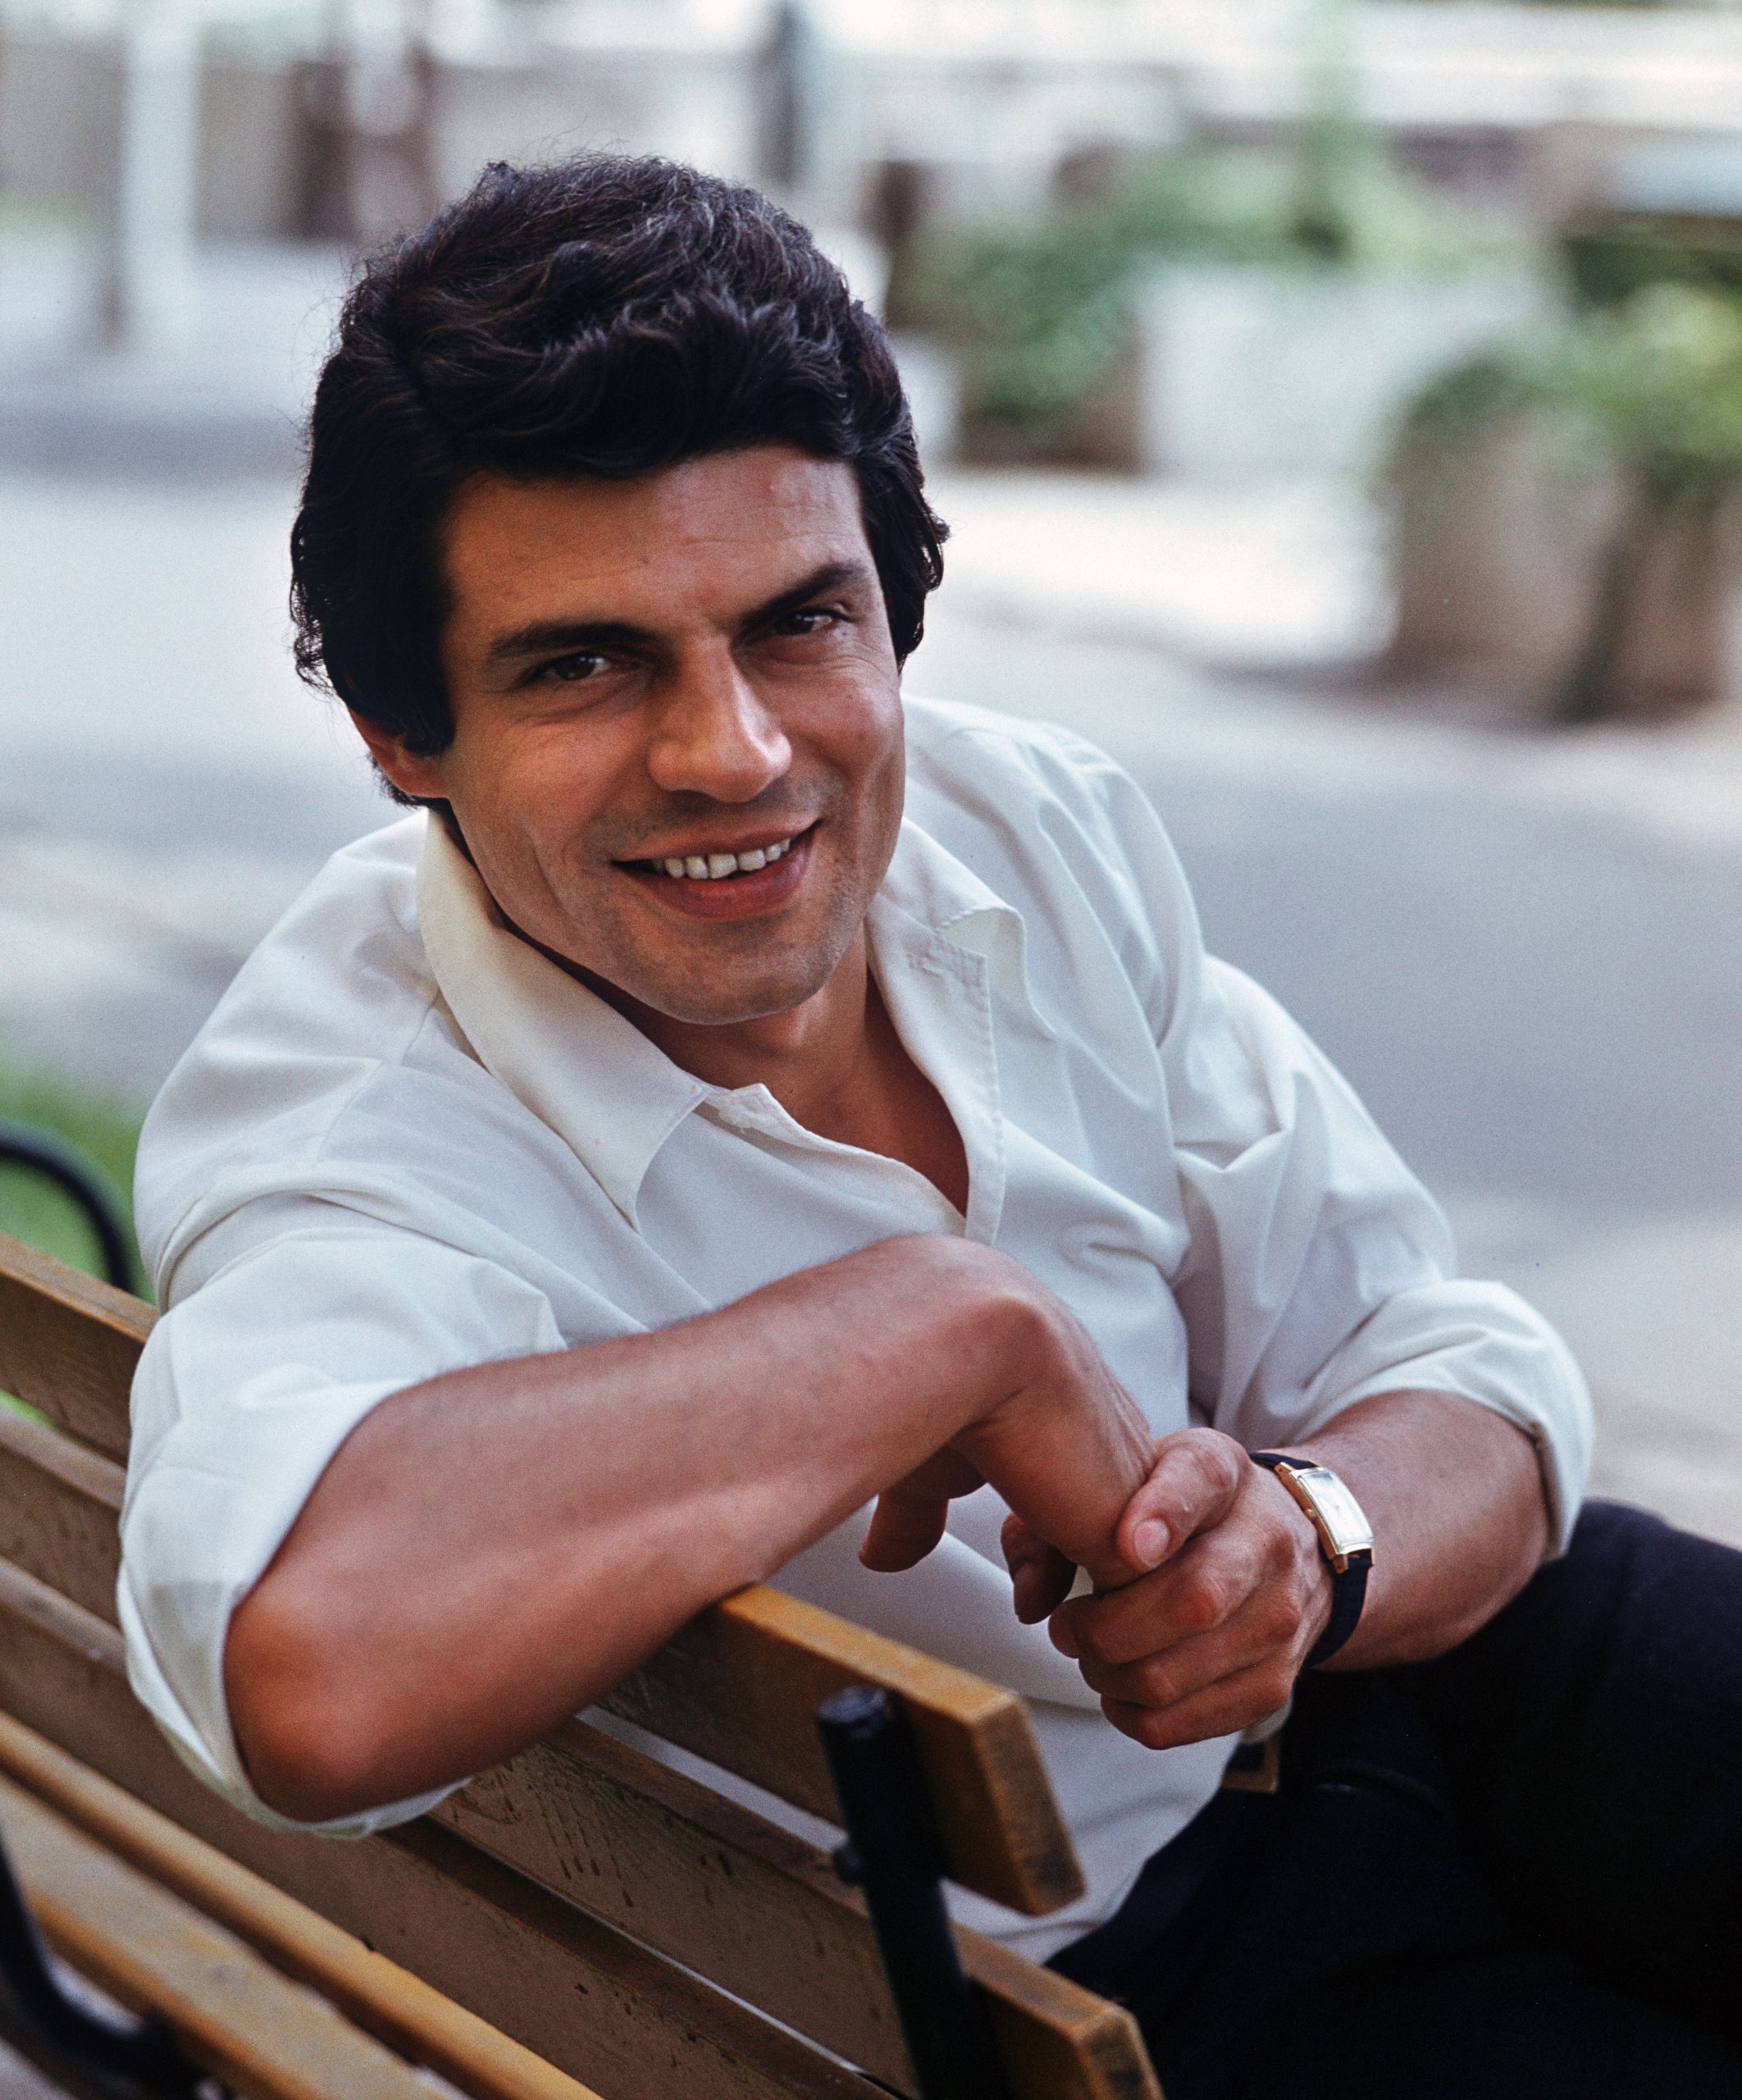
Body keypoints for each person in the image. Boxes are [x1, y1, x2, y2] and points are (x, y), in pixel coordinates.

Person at [120, 155, 1741, 2098]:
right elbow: (307, 1668)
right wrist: (934, 1324)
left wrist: (1308, 1540)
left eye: (798, 622)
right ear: (402, 735)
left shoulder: (1018, 827)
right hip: (1115, 1967)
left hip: (1390, 1680)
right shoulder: (361, 1115)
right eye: (585, 661)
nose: (733, 750)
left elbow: (1443, 1357)